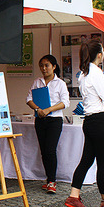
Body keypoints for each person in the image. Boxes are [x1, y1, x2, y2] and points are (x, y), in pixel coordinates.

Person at [65, 39, 104, 207]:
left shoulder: (83, 73)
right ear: (99, 54)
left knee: (86, 160)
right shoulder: (97, 72)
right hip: (99, 120)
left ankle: (74, 195)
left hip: (89, 120)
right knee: (103, 161)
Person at [26, 54, 69, 194]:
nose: (44, 68)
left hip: (54, 120)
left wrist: (49, 109)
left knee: (50, 149)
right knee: (44, 151)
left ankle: (52, 180)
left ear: (54, 67)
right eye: (41, 66)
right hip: (40, 119)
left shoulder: (60, 83)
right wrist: (38, 109)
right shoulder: (37, 82)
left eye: (47, 65)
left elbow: (65, 102)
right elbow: (28, 99)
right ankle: (48, 179)